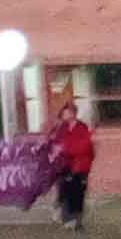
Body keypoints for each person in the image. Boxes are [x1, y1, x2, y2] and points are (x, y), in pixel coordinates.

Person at [48, 95, 95, 230]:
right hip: (64, 166)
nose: (64, 116)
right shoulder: (61, 129)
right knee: (64, 192)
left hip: (80, 166)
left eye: (66, 113)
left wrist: (65, 149)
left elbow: (84, 146)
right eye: (63, 113)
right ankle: (67, 219)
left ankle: (77, 221)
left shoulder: (81, 128)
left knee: (78, 193)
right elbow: (55, 144)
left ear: (73, 114)